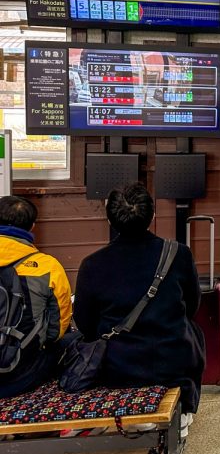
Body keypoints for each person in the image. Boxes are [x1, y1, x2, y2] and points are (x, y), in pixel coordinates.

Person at [73, 183, 204, 433]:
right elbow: (192, 306)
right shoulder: (179, 253)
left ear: (110, 219)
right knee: (193, 330)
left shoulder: (91, 264)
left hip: (118, 366)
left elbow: (85, 324)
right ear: (152, 215)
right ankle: (185, 406)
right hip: (172, 360)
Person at [0, 196, 72, 398]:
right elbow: (56, 330)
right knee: (73, 342)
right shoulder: (48, 266)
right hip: (20, 375)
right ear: (32, 227)